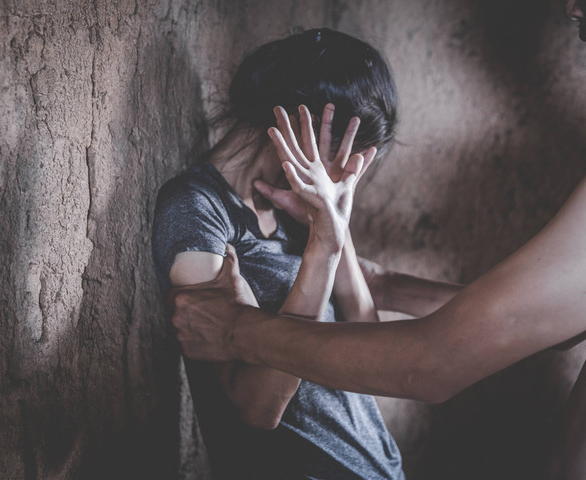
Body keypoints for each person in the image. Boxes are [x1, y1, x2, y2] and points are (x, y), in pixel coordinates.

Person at [170, 2, 586, 477]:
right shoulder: (201, 209)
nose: (571, 6)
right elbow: (555, 326)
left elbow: (430, 363)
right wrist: (348, 255)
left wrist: (237, 327)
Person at [151, 29, 446, 479]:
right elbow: (256, 407)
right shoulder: (197, 210)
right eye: (343, 156)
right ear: (295, 121)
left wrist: (334, 228)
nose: (343, 175)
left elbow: (367, 346)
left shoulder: (299, 210)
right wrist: (322, 249)